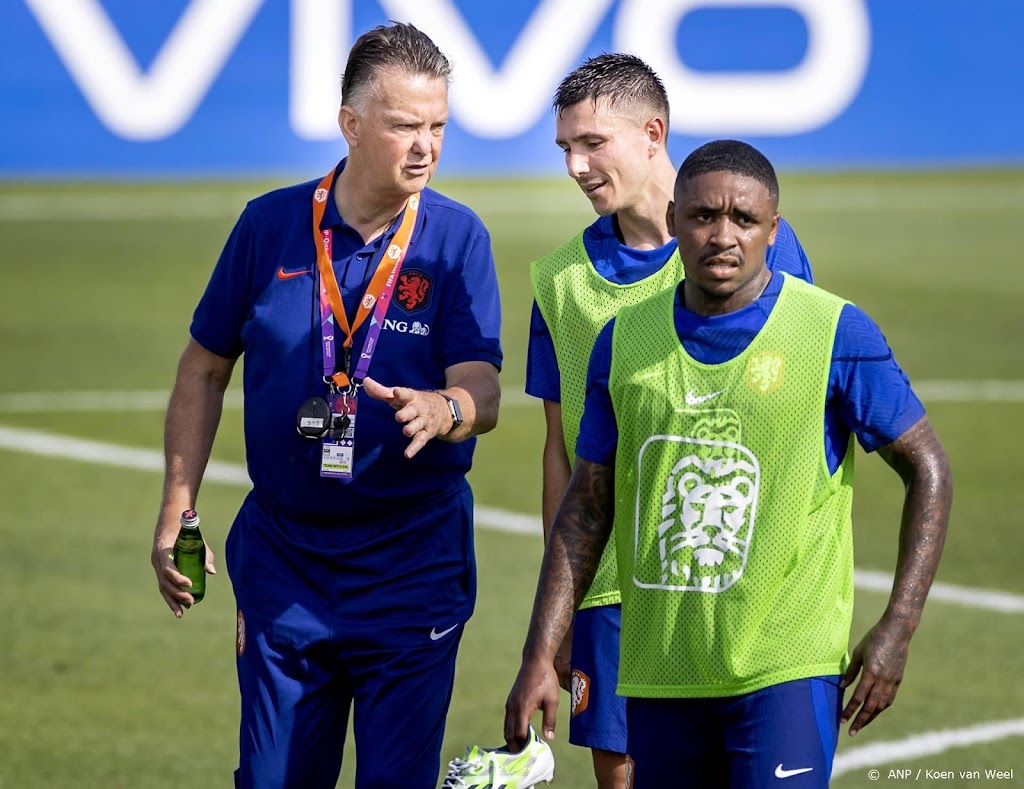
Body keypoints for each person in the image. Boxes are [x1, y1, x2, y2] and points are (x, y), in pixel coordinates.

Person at [508, 139, 951, 788]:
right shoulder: (624, 342)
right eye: (703, 216)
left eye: (744, 220)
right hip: (661, 669)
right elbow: (587, 505)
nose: (722, 235)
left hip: (785, 667)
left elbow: (929, 467)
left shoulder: (834, 332)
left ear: (773, 230)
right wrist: (539, 652)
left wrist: (899, 625)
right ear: (675, 217)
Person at [149, 22, 502, 789]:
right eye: (406, 125)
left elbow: (484, 385)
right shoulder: (268, 225)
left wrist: (447, 409)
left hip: (413, 562)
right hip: (286, 562)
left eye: (439, 126)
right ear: (350, 124)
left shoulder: (457, 240)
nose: (426, 146)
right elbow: (204, 370)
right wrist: (179, 504)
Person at [525, 55, 813, 788]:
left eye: (592, 143)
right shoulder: (558, 281)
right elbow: (559, 453)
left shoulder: (757, 247)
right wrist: (556, 615)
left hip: (735, 580)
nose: (575, 166)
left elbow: (801, 418)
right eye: (565, 148)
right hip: (617, 592)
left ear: (653, 133)